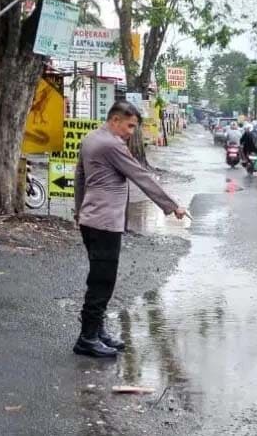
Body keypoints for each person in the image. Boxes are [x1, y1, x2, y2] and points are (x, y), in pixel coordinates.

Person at [73, 101, 187, 358]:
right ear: (115, 120)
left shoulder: (91, 138)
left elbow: (79, 176)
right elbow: (141, 175)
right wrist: (172, 206)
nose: (131, 132)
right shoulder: (111, 144)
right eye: (129, 126)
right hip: (104, 223)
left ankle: (97, 331)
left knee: (99, 278)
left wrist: (78, 210)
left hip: (91, 219)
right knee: (102, 282)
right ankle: (87, 338)